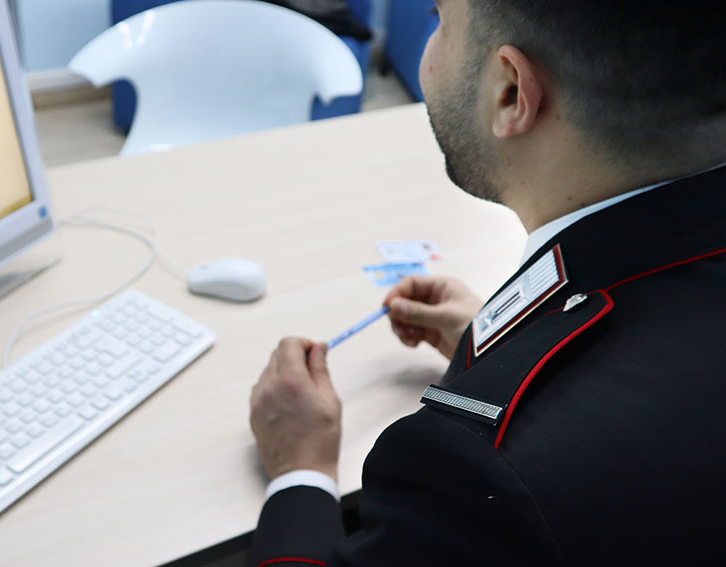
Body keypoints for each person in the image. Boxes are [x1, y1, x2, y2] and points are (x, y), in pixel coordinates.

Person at [248, 0, 726, 565]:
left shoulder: (473, 474)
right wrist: (502, 342)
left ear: (509, 92)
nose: (427, 52)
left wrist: (299, 469)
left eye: (437, 19)